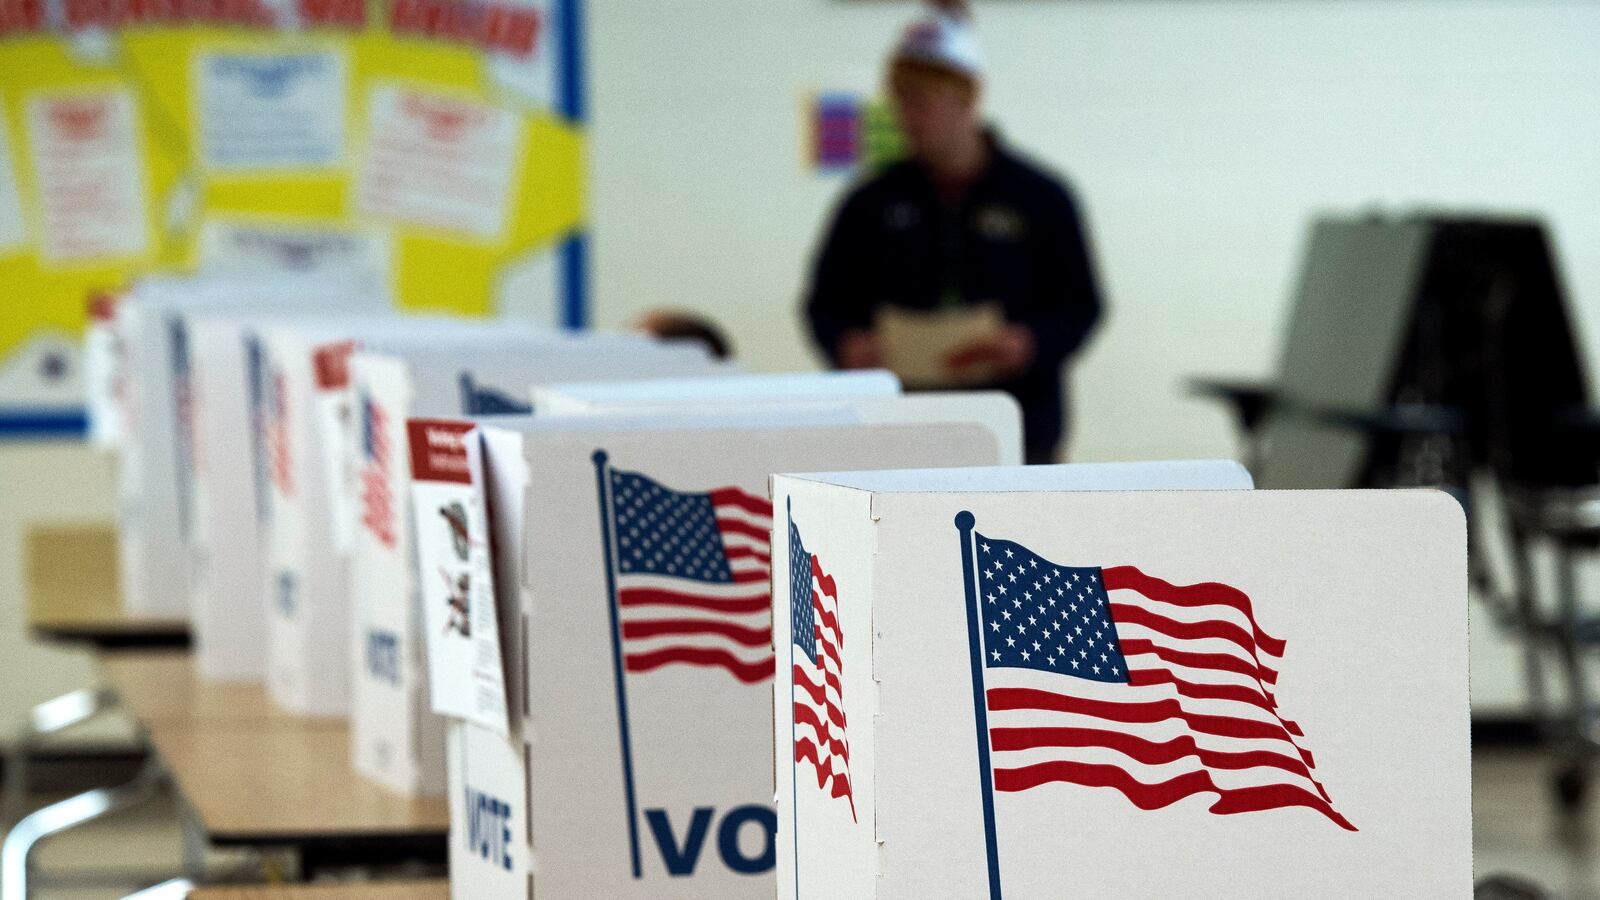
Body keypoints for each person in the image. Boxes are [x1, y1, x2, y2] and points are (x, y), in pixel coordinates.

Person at [803, 4, 1103, 463]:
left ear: (966, 97)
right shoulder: (869, 202)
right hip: (898, 430)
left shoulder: (1041, 197)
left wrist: (1031, 343)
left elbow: (1082, 306)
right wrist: (847, 345)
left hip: (1019, 430)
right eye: (899, 99)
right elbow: (824, 303)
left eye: (921, 99)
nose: (907, 116)